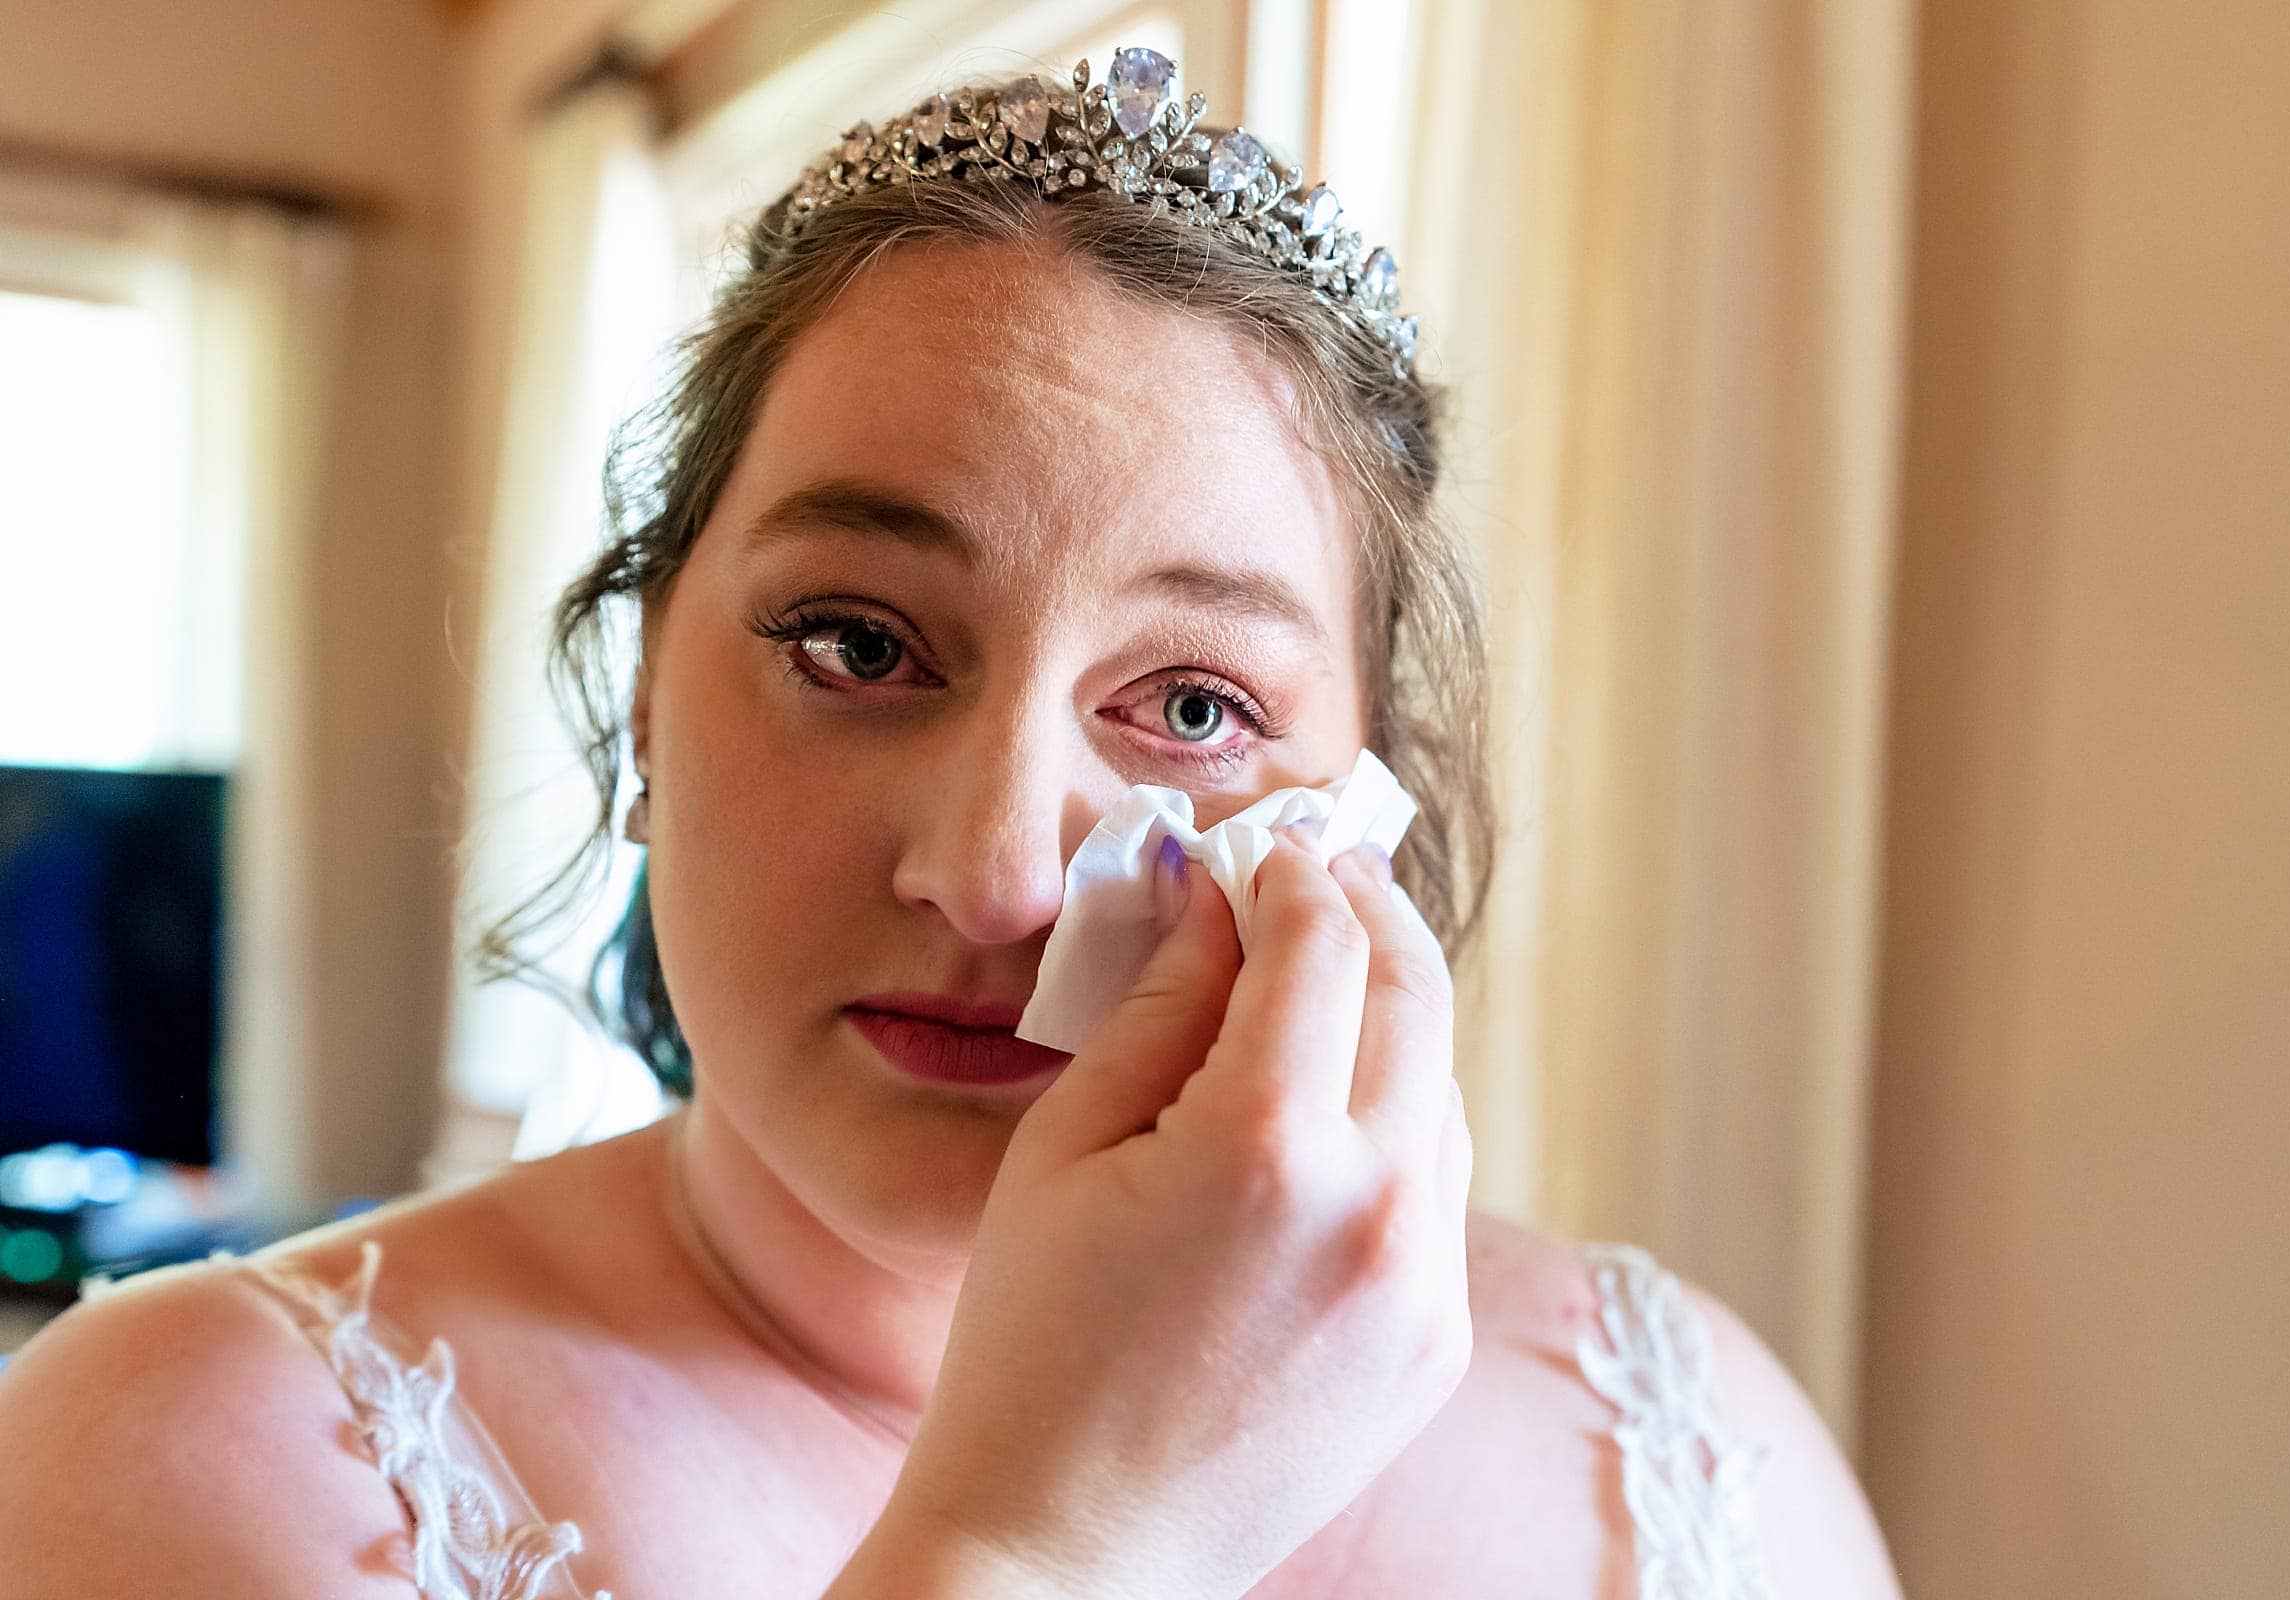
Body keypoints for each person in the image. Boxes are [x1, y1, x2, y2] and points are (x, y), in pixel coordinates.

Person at [0, 51, 1902, 1600]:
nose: (991, 874)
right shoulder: (177, 1455)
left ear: (1358, 819)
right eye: (858, 645)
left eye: (1189, 709)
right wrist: (1046, 1550)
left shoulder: (1683, 1439)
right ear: (651, 695)